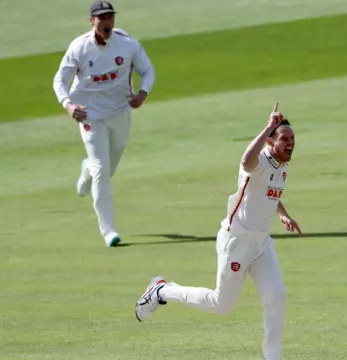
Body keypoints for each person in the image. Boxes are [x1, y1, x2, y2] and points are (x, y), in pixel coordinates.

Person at [135, 104, 302, 360]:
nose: (290, 142)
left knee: (277, 296)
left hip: (261, 244)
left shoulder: (283, 164)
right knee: (221, 304)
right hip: (236, 241)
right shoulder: (259, 161)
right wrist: (268, 126)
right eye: (283, 138)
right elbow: (246, 161)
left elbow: (268, 192)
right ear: (270, 141)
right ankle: (161, 291)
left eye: (292, 138)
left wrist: (283, 214)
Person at [52, 0, 155, 247]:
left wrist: (142, 94)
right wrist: (68, 105)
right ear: (92, 21)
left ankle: (86, 169)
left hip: (120, 112)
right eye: (101, 18)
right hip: (89, 115)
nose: (107, 22)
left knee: (107, 169)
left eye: (110, 17)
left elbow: (148, 70)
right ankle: (108, 230)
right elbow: (59, 80)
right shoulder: (79, 47)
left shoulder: (127, 45)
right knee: (102, 170)